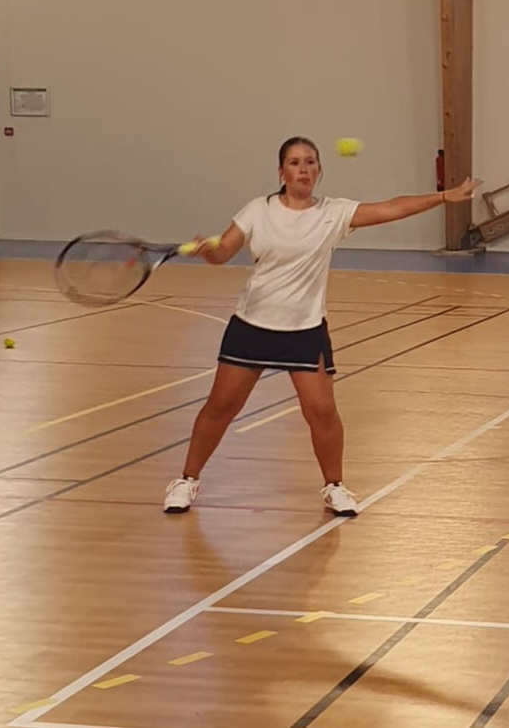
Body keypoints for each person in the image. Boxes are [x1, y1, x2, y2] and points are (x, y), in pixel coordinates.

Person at [163, 136, 481, 517]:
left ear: (319, 171)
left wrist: (443, 197)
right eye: (295, 163)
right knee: (221, 406)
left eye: (310, 162)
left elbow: (389, 209)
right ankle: (187, 480)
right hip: (252, 324)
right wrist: (207, 250)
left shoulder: (333, 214)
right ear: (281, 172)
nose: (303, 169)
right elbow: (223, 253)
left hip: (304, 329)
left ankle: (334, 487)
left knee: (321, 410)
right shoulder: (257, 211)